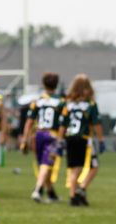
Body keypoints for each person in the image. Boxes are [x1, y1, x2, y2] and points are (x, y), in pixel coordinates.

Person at [58, 74, 105, 207]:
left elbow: (63, 125)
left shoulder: (69, 105)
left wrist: (60, 140)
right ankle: (81, 189)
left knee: (74, 169)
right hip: (84, 139)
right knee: (93, 166)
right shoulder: (90, 105)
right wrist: (101, 139)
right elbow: (96, 124)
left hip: (70, 138)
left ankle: (73, 196)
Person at [20, 72, 63, 204]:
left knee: (43, 165)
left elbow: (29, 122)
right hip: (52, 135)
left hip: (38, 135)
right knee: (46, 164)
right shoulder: (61, 102)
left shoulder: (37, 101)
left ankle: (51, 193)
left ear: (43, 84)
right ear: (57, 84)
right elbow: (63, 123)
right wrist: (61, 139)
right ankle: (38, 190)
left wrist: (25, 138)